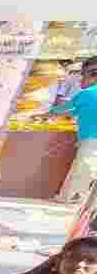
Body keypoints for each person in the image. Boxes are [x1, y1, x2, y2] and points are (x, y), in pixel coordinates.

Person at [49, 57, 96, 205]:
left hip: (91, 139)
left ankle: (71, 198)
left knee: (84, 168)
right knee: (83, 168)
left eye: (84, 74)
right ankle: (70, 198)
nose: (81, 78)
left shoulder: (89, 92)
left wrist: (49, 113)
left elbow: (67, 109)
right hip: (89, 137)